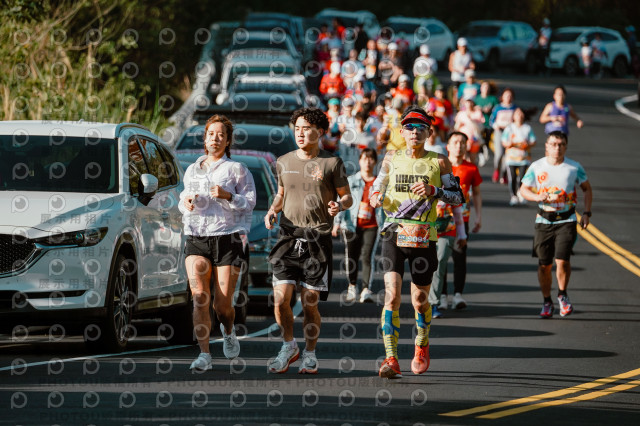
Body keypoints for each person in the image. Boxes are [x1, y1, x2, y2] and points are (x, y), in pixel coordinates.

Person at [370, 106, 465, 378]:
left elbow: (457, 197)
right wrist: (376, 196)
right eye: (409, 128)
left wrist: (434, 190)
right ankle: (391, 358)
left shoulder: (440, 161)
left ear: (429, 132)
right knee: (391, 296)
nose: (414, 132)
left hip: (423, 236)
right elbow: (376, 187)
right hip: (393, 231)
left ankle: (421, 344)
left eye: (420, 128)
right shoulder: (391, 157)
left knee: (420, 301)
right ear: (401, 132)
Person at [264, 107, 352, 374]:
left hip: (317, 240)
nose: (300, 133)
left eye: (306, 129)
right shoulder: (283, 161)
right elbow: (281, 194)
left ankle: (310, 353)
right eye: (297, 129)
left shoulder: (332, 163)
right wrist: (272, 210)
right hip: (287, 238)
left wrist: (339, 205)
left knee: (310, 302)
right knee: (281, 299)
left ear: (320, 131)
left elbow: (347, 197)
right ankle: (289, 345)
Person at [179, 114, 257, 371]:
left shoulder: (237, 169)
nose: (215, 138)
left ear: (228, 141)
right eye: (211, 134)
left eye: (221, 135)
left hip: (227, 237)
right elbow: (183, 199)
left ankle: (228, 330)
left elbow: (250, 202)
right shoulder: (192, 169)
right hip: (197, 237)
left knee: (222, 306)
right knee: (199, 296)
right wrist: (186, 202)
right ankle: (204, 354)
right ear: (205, 139)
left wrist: (228, 196)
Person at [519, 131, 592, 318]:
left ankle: (562, 294)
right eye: (553, 144)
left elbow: (587, 189)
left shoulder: (574, 167)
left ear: (565, 147)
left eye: (561, 144)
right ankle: (547, 301)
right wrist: (538, 197)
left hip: (567, 220)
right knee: (544, 265)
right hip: (544, 220)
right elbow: (523, 189)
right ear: (546, 146)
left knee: (562, 260)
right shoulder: (537, 167)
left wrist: (586, 213)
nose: (557, 148)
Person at [434, 132, 482, 313]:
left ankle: (458, 295)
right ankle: (442, 296)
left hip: (462, 219)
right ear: (448, 146)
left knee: (460, 256)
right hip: (442, 219)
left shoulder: (471, 168)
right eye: (455, 142)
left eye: (462, 142)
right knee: (441, 257)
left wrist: (479, 217)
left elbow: (476, 193)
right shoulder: (439, 167)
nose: (459, 146)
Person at [332, 148, 383, 303]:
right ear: (359, 161)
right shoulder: (352, 180)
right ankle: (352, 286)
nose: (368, 162)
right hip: (351, 224)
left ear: (375, 162)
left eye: (371, 159)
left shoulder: (379, 183)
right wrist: (337, 223)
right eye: (364, 158)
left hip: (372, 224)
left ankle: (366, 289)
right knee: (351, 256)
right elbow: (342, 201)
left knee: (367, 255)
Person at [502, 107, 536, 205]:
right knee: (512, 177)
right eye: (517, 114)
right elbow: (504, 142)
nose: (519, 116)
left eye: (521, 114)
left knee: (522, 177)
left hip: (523, 158)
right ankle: (513, 196)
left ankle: (521, 193)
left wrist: (527, 144)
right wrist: (509, 144)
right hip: (511, 158)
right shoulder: (509, 128)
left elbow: (533, 141)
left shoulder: (527, 128)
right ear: (513, 116)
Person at [489, 87, 517, 183]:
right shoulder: (498, 108)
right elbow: (492, 120)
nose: (508, 98)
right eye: (506, 95)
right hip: (499, 131)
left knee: (507, 154)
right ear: (502, 97)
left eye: (510, 96)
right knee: (499, 153)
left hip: (510, 133)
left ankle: (504, 173)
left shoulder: (514, 108)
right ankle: (497, 169)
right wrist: (496, 126)